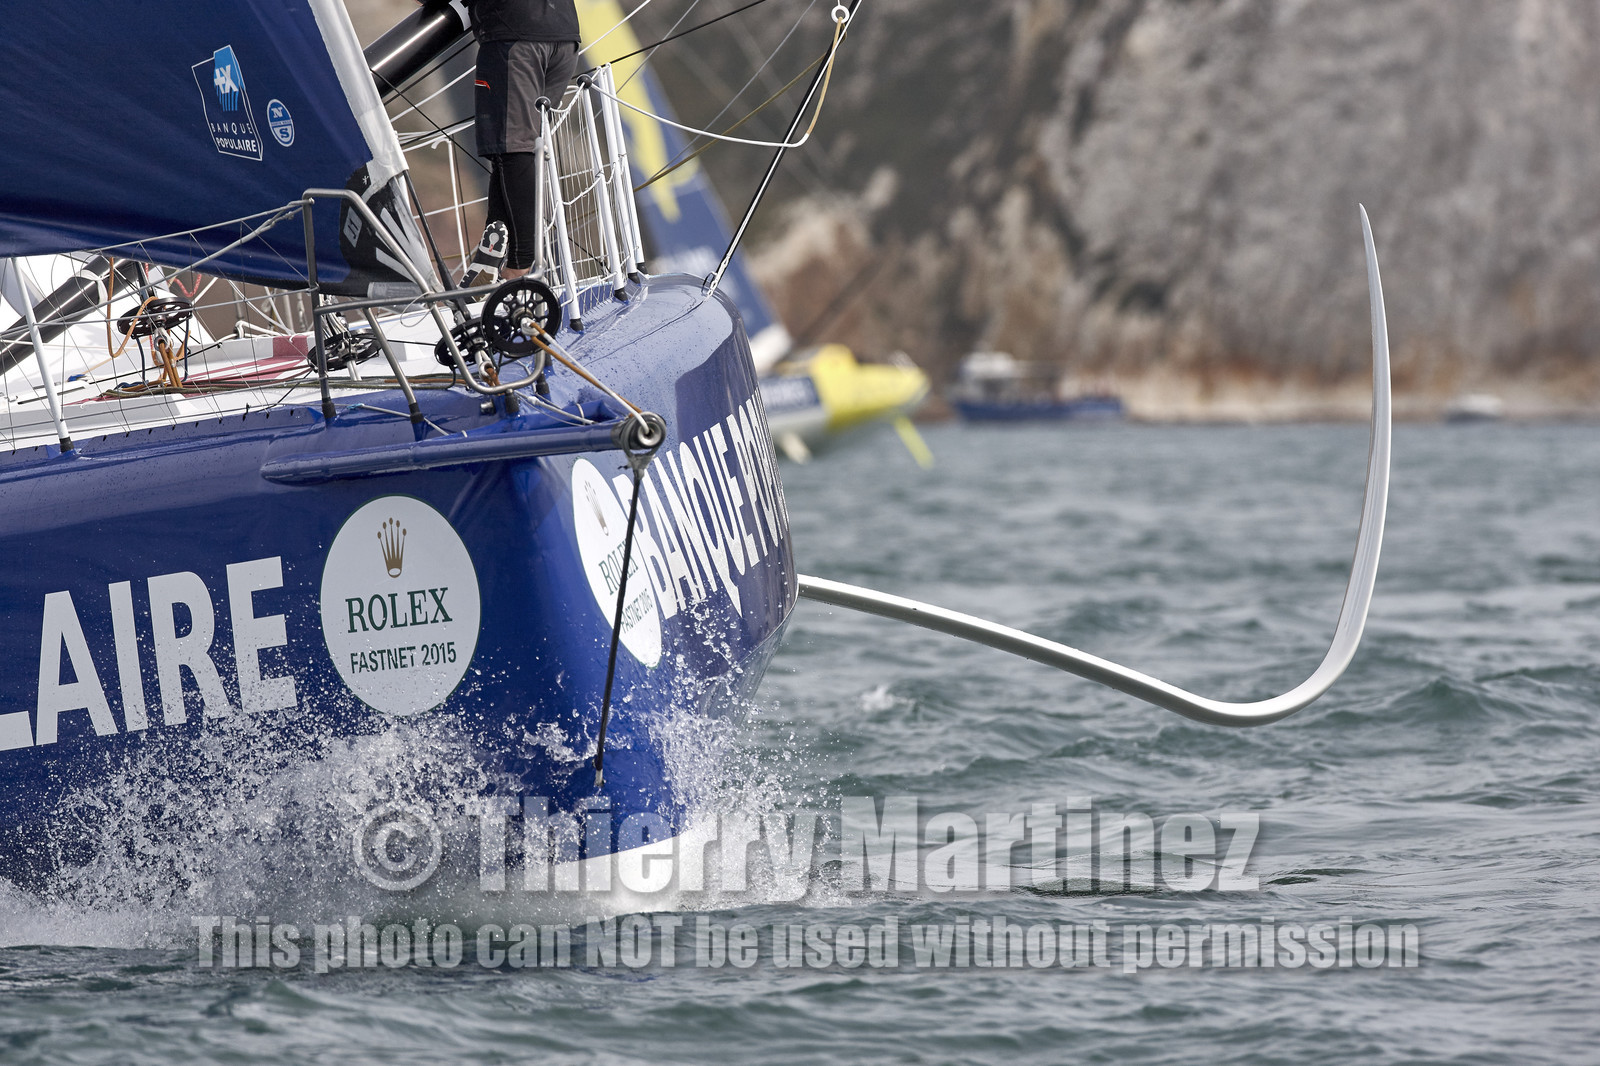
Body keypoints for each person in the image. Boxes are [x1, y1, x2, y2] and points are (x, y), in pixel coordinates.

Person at [462, 0, 581, 286]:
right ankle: (492, 256)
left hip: (515, 37)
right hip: (565, 36)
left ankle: (520, 265)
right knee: (518, 148)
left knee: (512, 146)